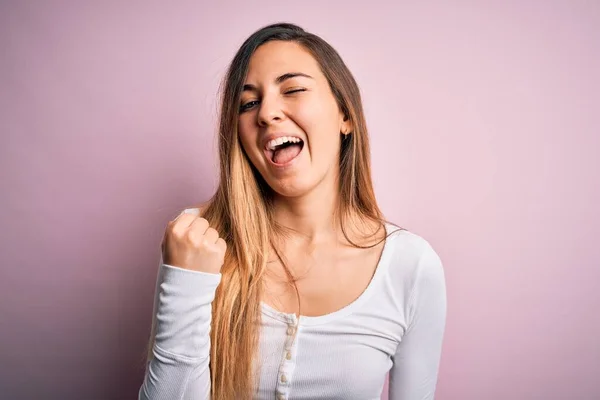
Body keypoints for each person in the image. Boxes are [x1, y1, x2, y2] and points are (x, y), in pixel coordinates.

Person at [139, 22, 447, 400]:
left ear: (345, 116)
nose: (266, 113)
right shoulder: (198, 242)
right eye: (248, 103)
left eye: (294, 89)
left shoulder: (411, 266)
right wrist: (186, 282)